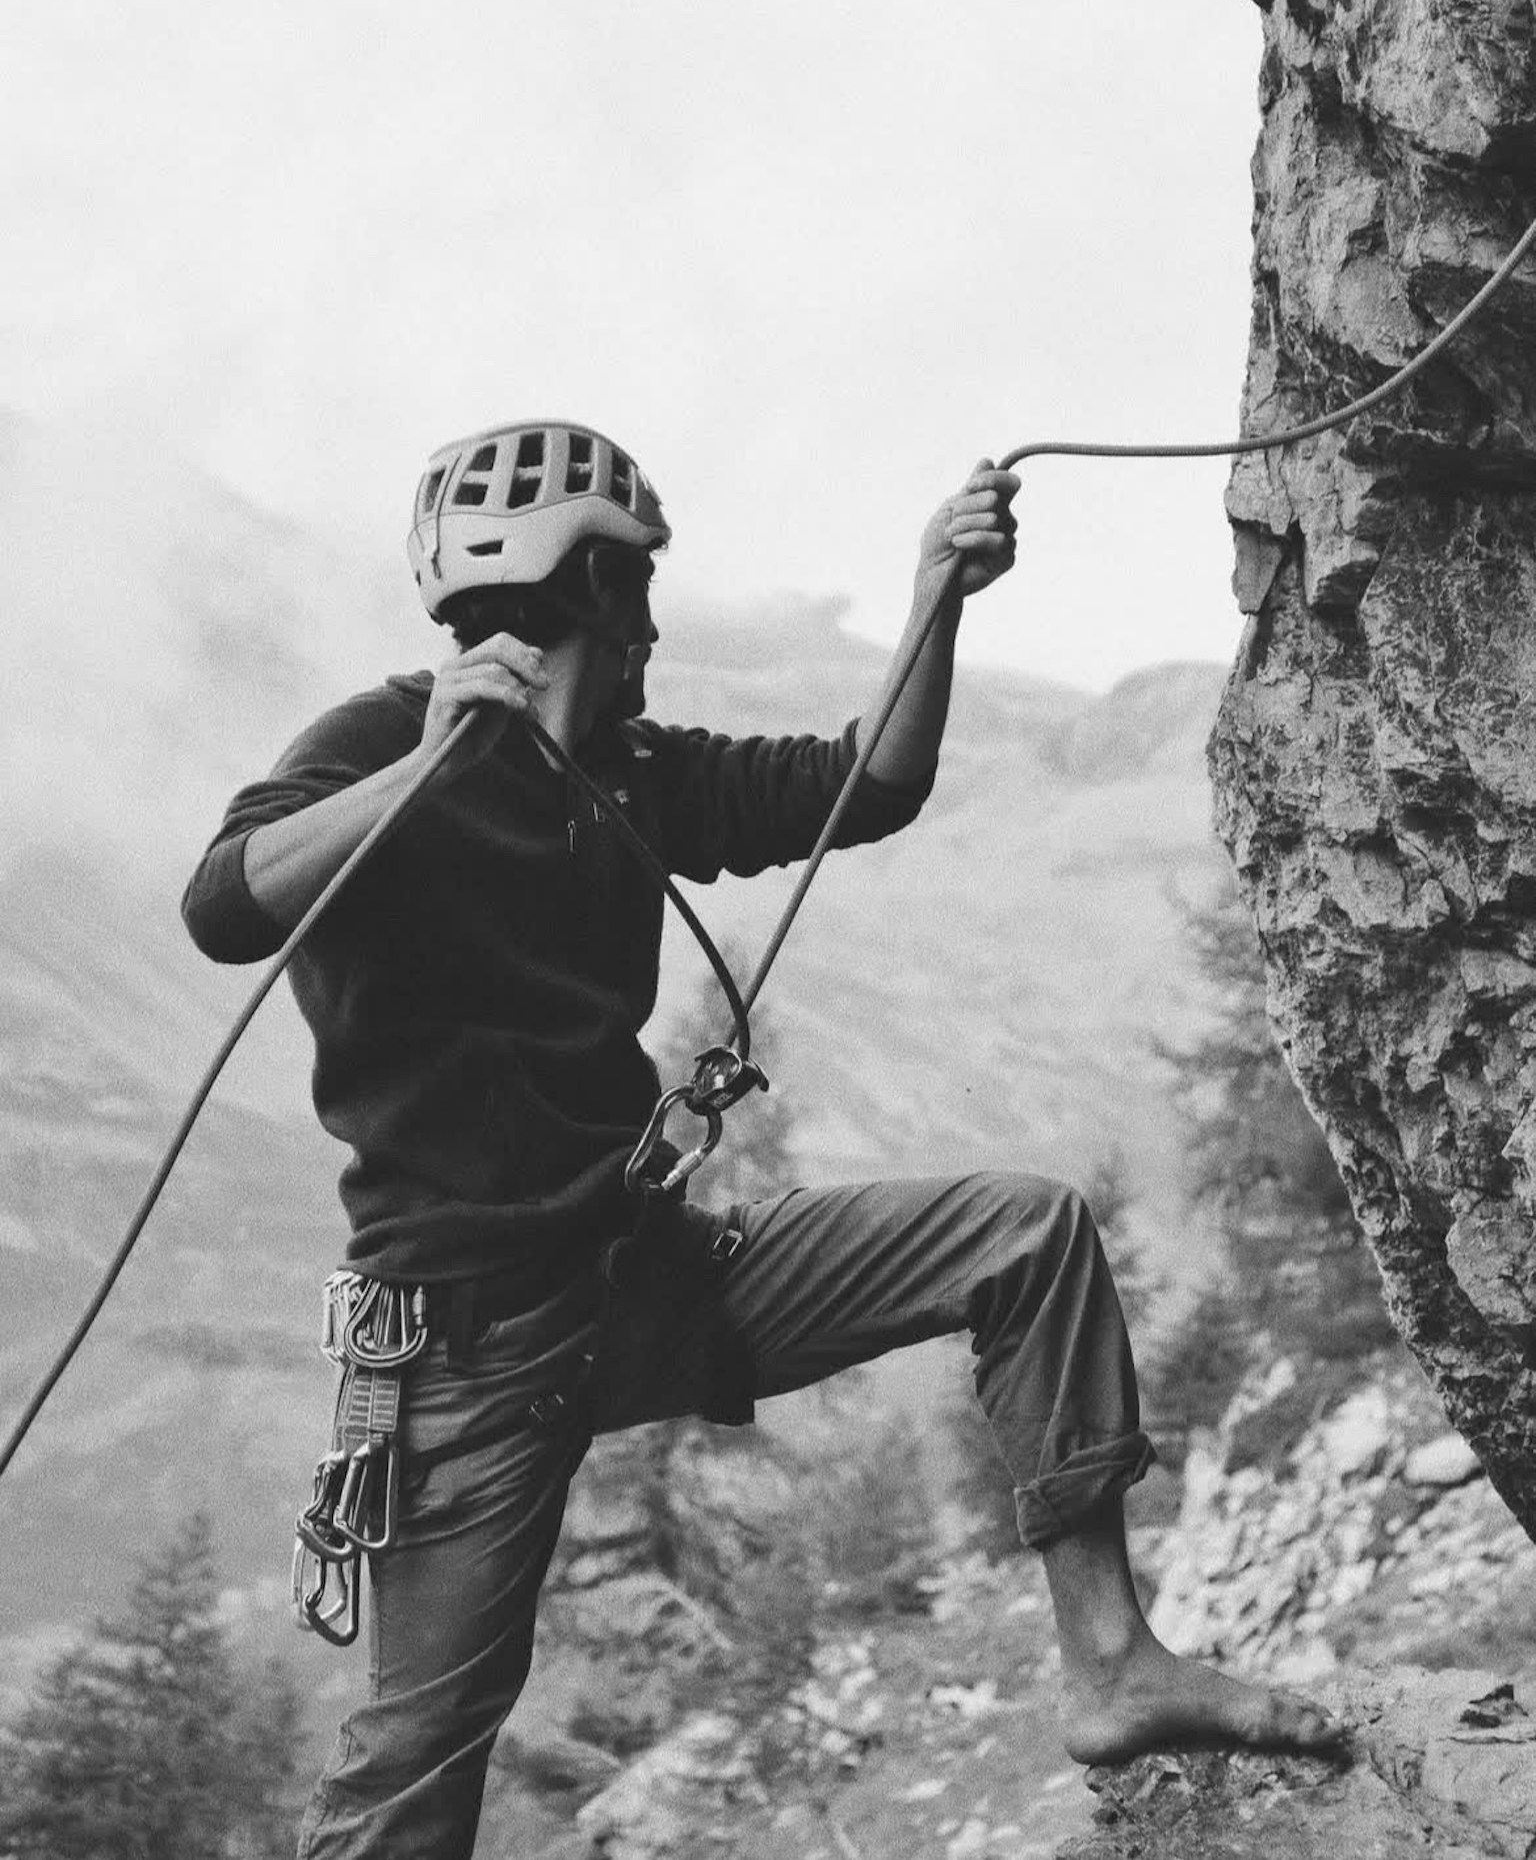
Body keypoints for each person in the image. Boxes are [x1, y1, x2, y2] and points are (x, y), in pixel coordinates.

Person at [182, 420, 1342, 1860]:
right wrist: (417, 776)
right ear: (597, 588)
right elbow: (225, 904)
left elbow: (868, 785)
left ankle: (1112, 1662)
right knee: (414, 1764)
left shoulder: (630, 766)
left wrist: (937, 595)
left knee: (1025, 1235)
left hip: (647, 1276)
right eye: (643, 584)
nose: (657, 617)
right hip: (466, 1345)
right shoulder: (376, 742)